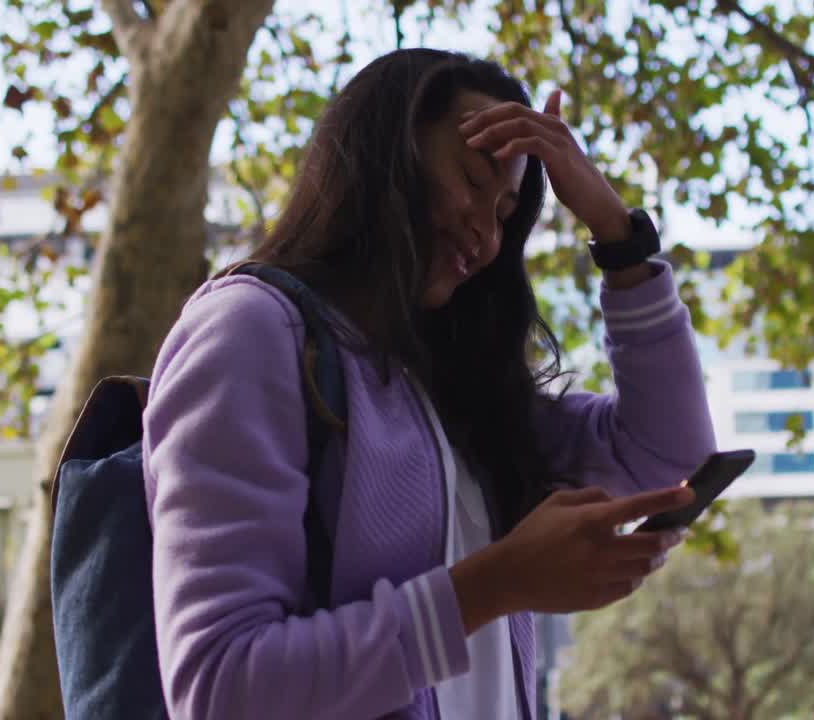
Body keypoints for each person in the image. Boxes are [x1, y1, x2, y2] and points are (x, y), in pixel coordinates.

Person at [141, 48, 717, 720]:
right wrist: (494, 585)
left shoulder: (453, 387)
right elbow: (219, 689)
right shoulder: (250, 330)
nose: (488, 234)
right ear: (387, 153)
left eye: (506, 214)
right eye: (474, 180)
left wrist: (619, 239)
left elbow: (669, 457)